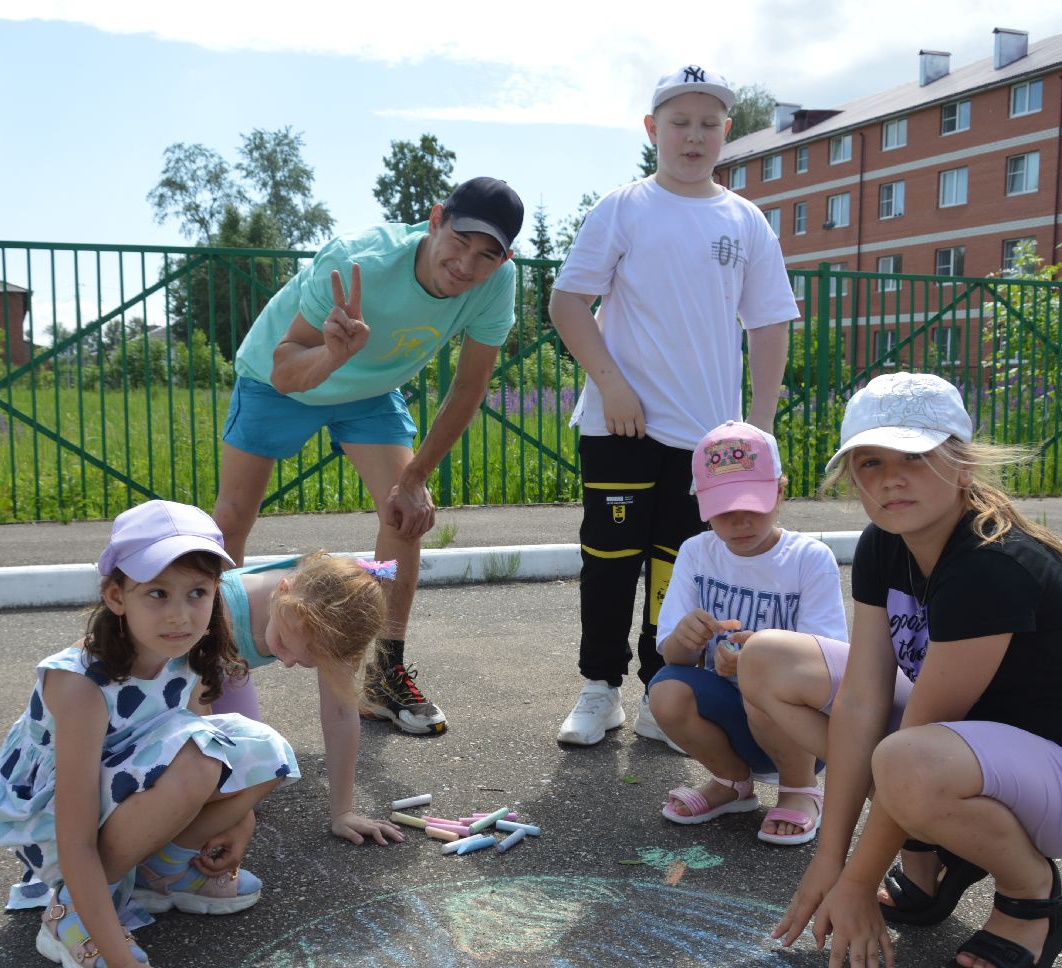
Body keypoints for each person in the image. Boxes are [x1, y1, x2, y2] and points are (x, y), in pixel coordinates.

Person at [749, 373, 1062, 968]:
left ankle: (1035, 893)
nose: (892, 478)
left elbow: (917, 733)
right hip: (964, 755)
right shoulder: (883, 544)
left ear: (961, 464)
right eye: (871, 462)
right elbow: (864, 700)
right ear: (853, 477)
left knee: (907, 761)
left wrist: (855, 882)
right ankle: (931, 858)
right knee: (768, 660)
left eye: (915, 457)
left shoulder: (990, 564)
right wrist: (830, 861)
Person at [212, 177, 524, 737]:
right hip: (283, 377)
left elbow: (470, 387)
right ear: (434, 220)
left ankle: (384, 673)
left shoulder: (497, 283)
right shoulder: (357, 261)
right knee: (231, 519)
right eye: (460, 241)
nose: (466, 265)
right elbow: (285, 371)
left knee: (403, 513)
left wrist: (416, 477)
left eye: (488, 254)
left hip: (371, 392)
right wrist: (332, 355)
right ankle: (208, 656)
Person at [551, 65, 799, 749]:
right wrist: (612, 383)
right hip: (619, 423)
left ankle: (665, 690)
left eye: (709, 123)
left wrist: (759, 428)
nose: (694, 136)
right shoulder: (623, 208)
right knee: (609, 559)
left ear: (726, 131)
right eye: (679, 122)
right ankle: (600, 689)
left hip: (708, 441)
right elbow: (567, 303)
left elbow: (771, 322)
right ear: (652, 129)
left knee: (680, 567)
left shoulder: (746, 222)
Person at [0, 501, 298, 968]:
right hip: (52, 821)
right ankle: (71, 914)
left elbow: (201, 740)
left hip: (126, 786)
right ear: (115, 596)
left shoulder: (190, 654)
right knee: (195, 761)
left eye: (197, 592)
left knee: (257, 750)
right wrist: (126, 967)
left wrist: (241, 821)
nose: (180, 613)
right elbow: (75, 834)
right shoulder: (80, 685)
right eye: (157, 593)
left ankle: (161, 872)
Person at [651, 422, 846, 842]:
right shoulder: (696, 552)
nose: (740, 521)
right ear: (702, 504)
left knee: (762, 673)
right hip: (729, 715)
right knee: (665, 691)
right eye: (724, 510)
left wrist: (758, 659)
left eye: (752, 505)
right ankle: (732, 782)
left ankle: (800, 788)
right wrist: (686, 639)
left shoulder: (809, 558)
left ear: (779, 490)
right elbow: (673, 658)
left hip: (799, 729)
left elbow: (827, 660)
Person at [205, 551, 406, 847]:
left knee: (242, 790)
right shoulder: (220, 609)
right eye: (283, 645)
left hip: (231, 668)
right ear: (282, 591)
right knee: (204, 788)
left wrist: (343, 812)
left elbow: (340, 714)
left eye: (303, 661)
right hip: (186, 673)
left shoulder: (335, 629)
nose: (285, 662)